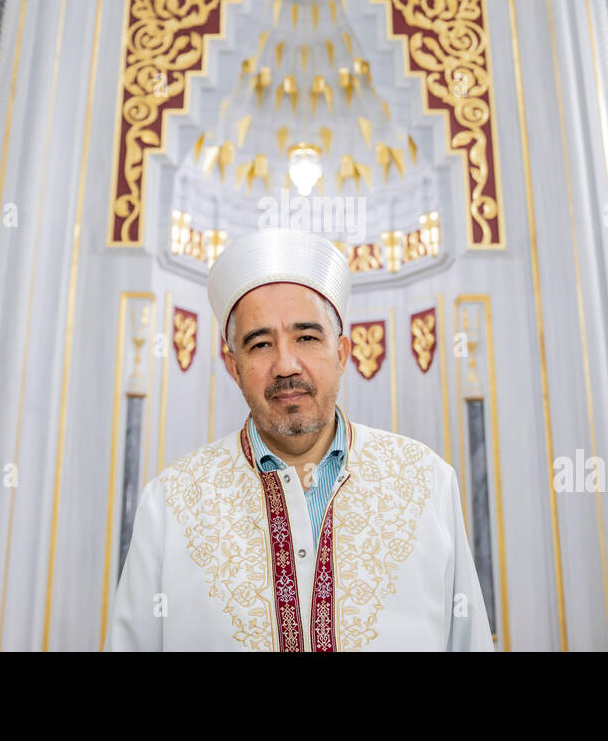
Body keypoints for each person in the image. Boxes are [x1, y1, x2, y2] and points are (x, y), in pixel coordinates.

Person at [105, 227, 493, 651]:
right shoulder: (172, 503)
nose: (285, 364)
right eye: (260, 344)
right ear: (234, 367)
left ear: (342, 353)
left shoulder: (426, 483)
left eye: (306, 337)